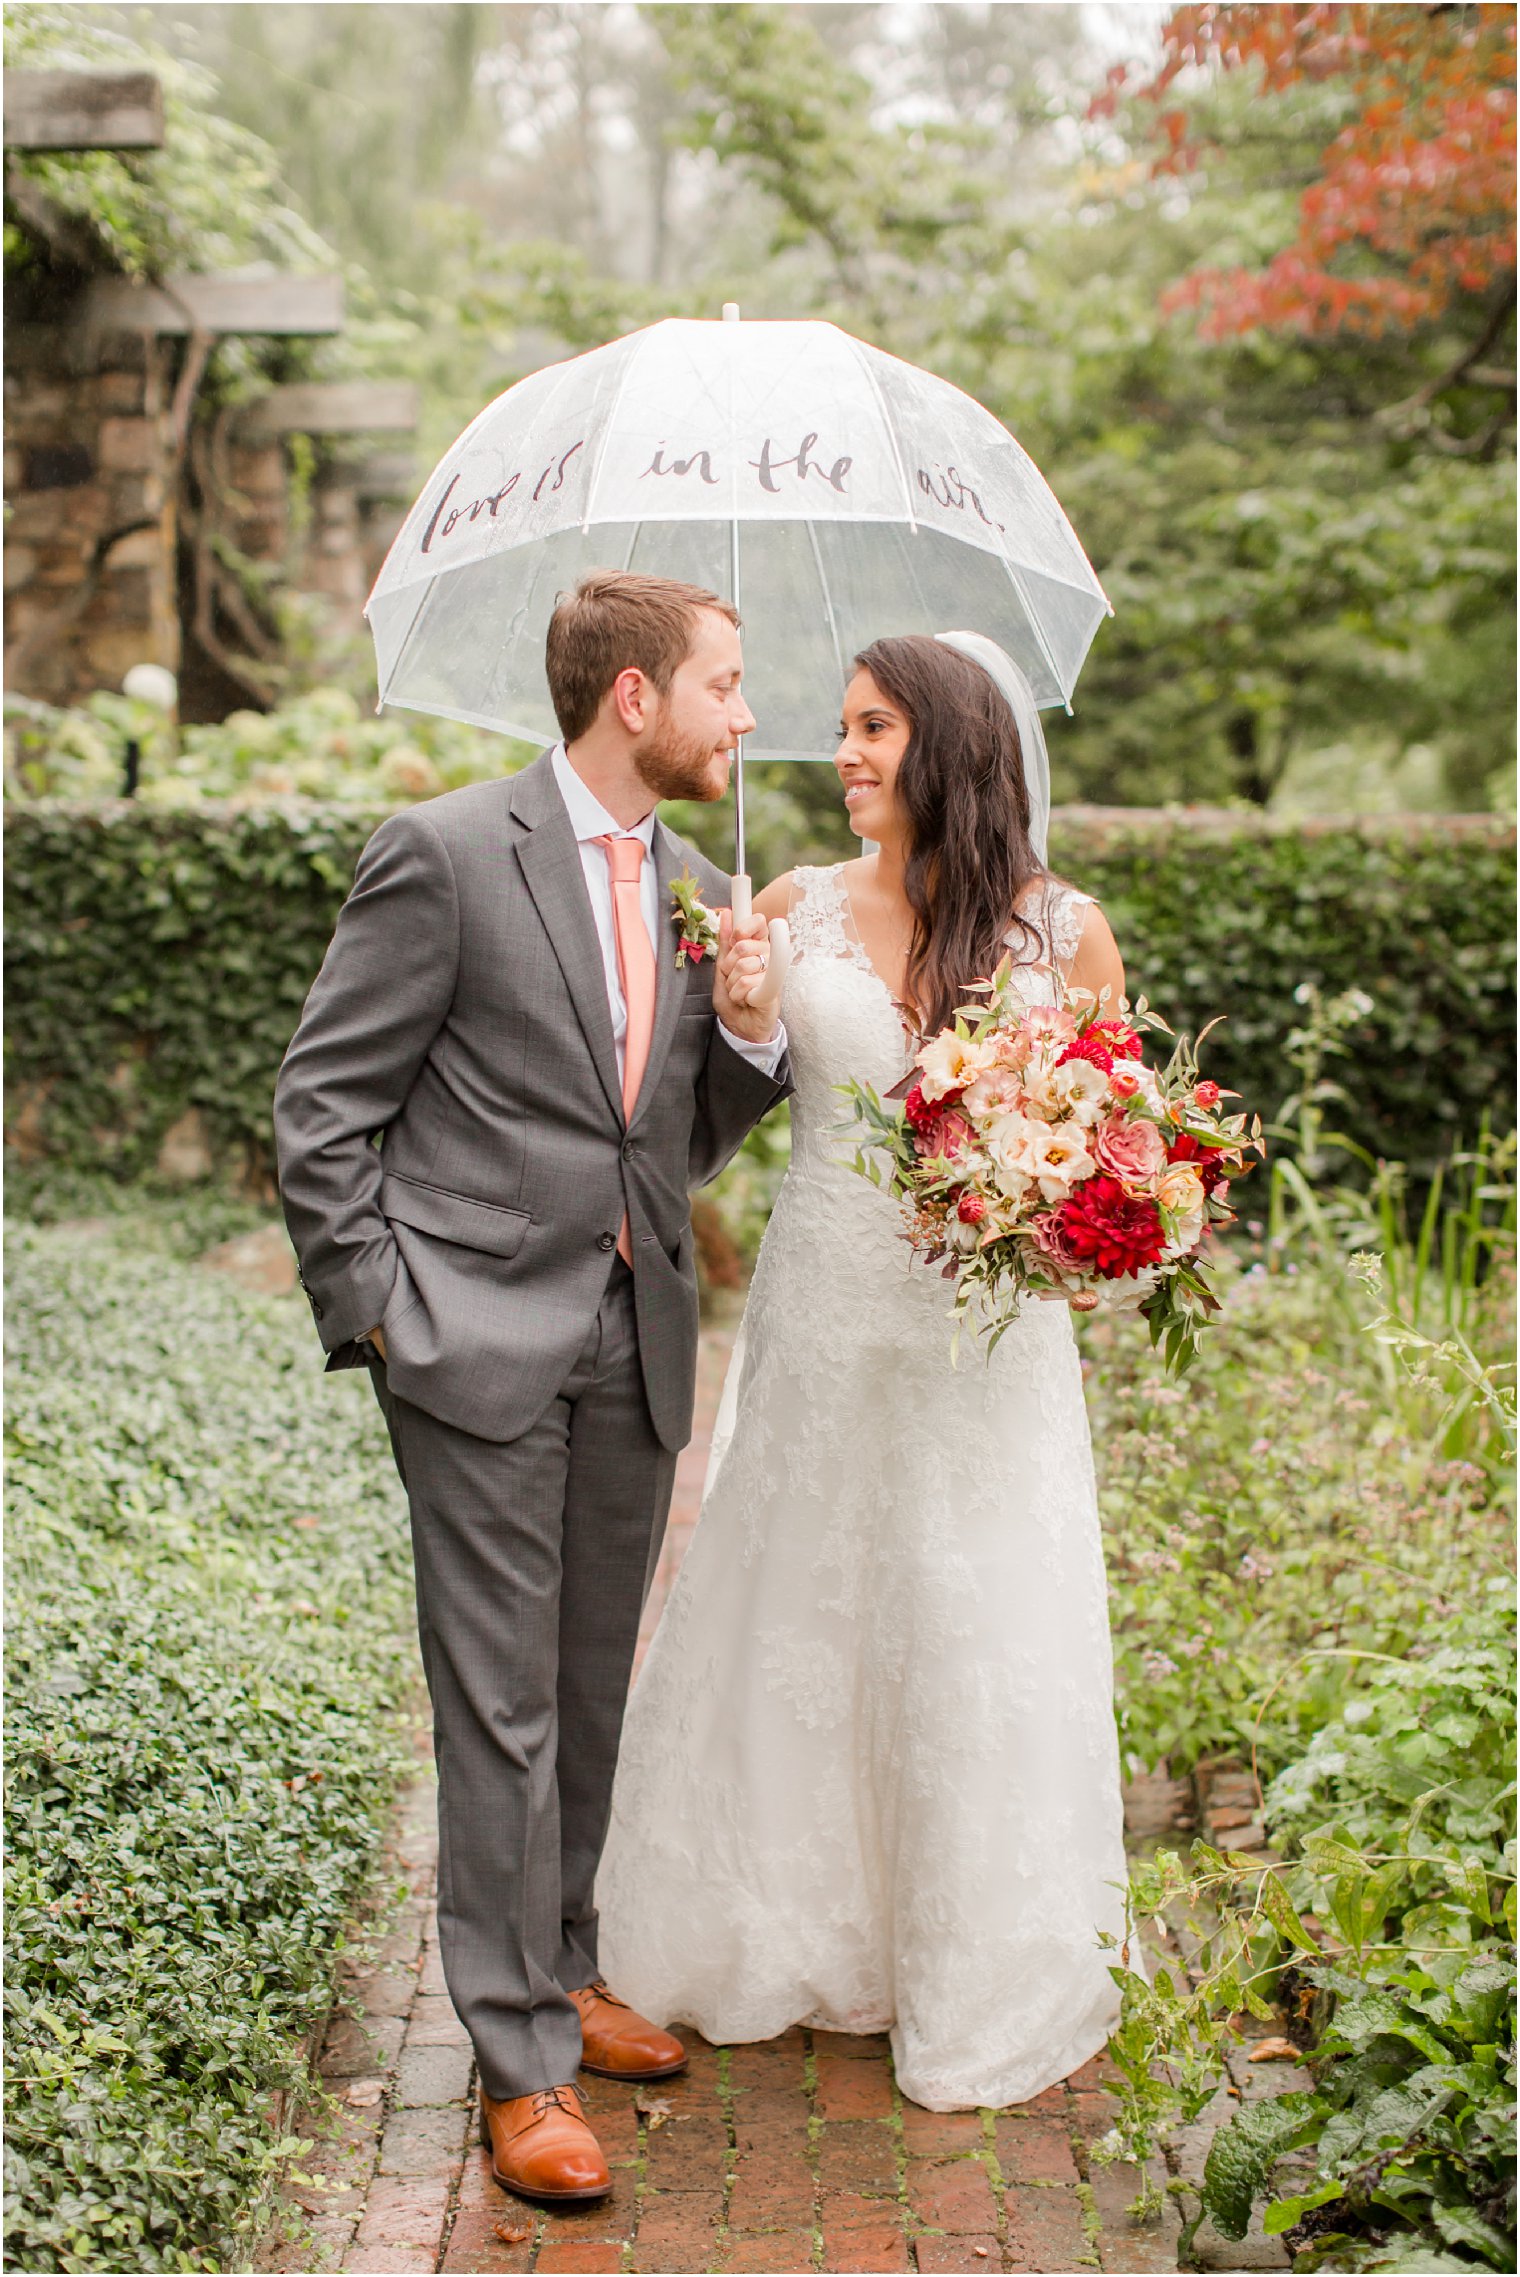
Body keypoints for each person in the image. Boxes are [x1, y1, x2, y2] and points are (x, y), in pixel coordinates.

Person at [274, 571, 789, 2201]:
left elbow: (669, 1135)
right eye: (724, 680)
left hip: (634, 1340)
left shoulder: (704, 880)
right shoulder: (442, 853)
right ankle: (516, 2058)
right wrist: (380, 1316)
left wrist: (757, 1034)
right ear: (632, 696)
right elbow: (325, 1104)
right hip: (471, 1340)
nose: (746, 711)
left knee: (585, 1685)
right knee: (496, 1708)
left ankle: (564, 1965)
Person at [596, 631, 1132, 2112]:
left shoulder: (1057, 931)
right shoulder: (789, 906)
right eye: (837, 726)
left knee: (969, 1611)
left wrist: (1081, 1217)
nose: (839, 753)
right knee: (807, 1600)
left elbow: (1119, 1142)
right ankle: (793, 1926)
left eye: (873, 727)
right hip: (826, 1317)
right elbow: (720, 1090)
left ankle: (968, 1948)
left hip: (986, 1342)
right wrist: (754, 1008)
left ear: (950, 743)